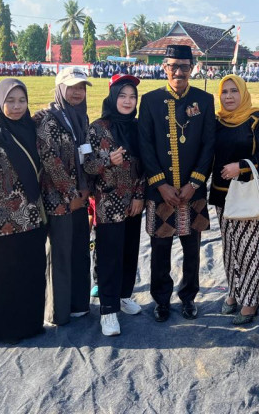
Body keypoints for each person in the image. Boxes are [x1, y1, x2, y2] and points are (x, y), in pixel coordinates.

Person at [139, 45, 216, 322]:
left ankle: (188, 297)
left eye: (184, 66)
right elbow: (145, 145)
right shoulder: (149, 100)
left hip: (192, 192)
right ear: (164, 67)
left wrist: (194, 183)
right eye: (173, 66)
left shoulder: (204, 100)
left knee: (192, 249)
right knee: (160, 249)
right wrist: (161, 185)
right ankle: (161, 300)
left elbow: (209, 145)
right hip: (160, 192)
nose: (179, 72)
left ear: (192, 68)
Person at [0, 79, 47, 343]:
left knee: (30, 274)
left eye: (22, 101)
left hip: (32, 219)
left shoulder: (31, 130)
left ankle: (29, 326)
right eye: (10, 101)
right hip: (1, 223)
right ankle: (3, 330)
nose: (17, 107)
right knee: (3, 278)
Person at [83, 74, 146, 336]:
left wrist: (139, 196)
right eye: (122, 96)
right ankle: (108, 310)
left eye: (132, 96)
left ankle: (123, 295)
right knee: (109, 255)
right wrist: (108, 160)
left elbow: (145, 164)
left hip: (133, 203)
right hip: (108, 204)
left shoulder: (138, 127)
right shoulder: (97, 128)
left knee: (130, 251)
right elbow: (87, 166)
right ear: (112, 98)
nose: (128, 101)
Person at [209, 75, 259, 325]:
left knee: (248, 249)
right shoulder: (216, 121)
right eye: (224, 91)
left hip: (248, 195)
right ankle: (234, 292)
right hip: (222, 194)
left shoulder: (256, 120)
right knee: (230, 248)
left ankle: (250, 299)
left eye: (234, 91)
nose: (229, 96)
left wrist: (242, 166)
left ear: (243, 92)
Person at [36, 67, 93, 326]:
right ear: (60, 89)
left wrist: (86, 189)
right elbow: (51, 161)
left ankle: (79, 304)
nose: (77, 93)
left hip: (80, 196)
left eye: (81, 88)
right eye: (72, 88)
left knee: (80, 249)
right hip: (59, 200)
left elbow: (86, 155)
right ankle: (59, 311)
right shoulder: (48, 120)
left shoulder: (82, 116)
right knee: (60, 253)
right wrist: (71, 194)